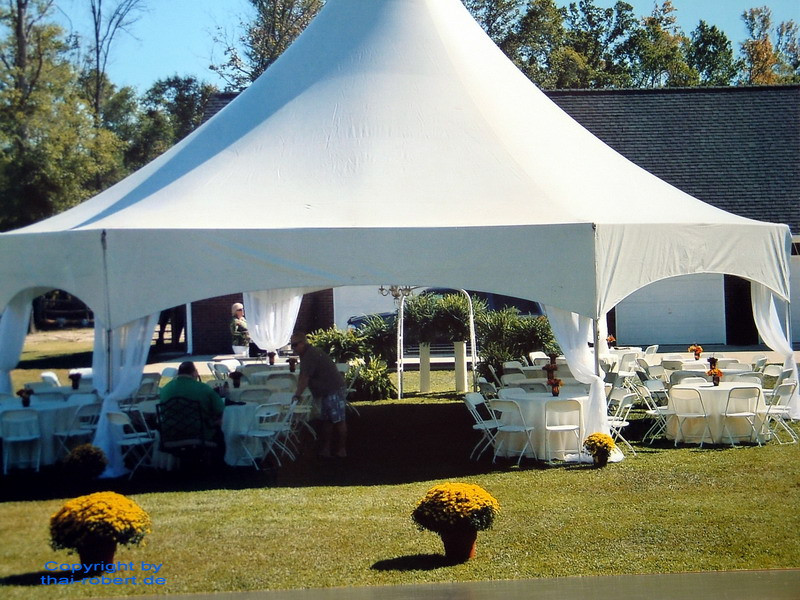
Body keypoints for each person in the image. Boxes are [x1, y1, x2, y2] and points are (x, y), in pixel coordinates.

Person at [290, 332, 348, 459]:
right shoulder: (306, 355)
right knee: (326, 421)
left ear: (303, 343)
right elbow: (302, 376)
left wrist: (297, 395)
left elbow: (305, 378)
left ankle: (341, 449)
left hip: (333, 389)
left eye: (295, 345)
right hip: (324, 392)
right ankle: (326, 449)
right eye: (291, 345)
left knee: (338, 420)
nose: (293, 348)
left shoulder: (310, 355)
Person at [159, 361, 226, 462]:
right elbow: (220, 410)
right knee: (219, 427)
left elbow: (163, 411)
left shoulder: (165, 389)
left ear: (178, 373)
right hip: (199, 432)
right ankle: (219, 464)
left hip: (171, 433)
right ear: (195, 373)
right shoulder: (203, 388)